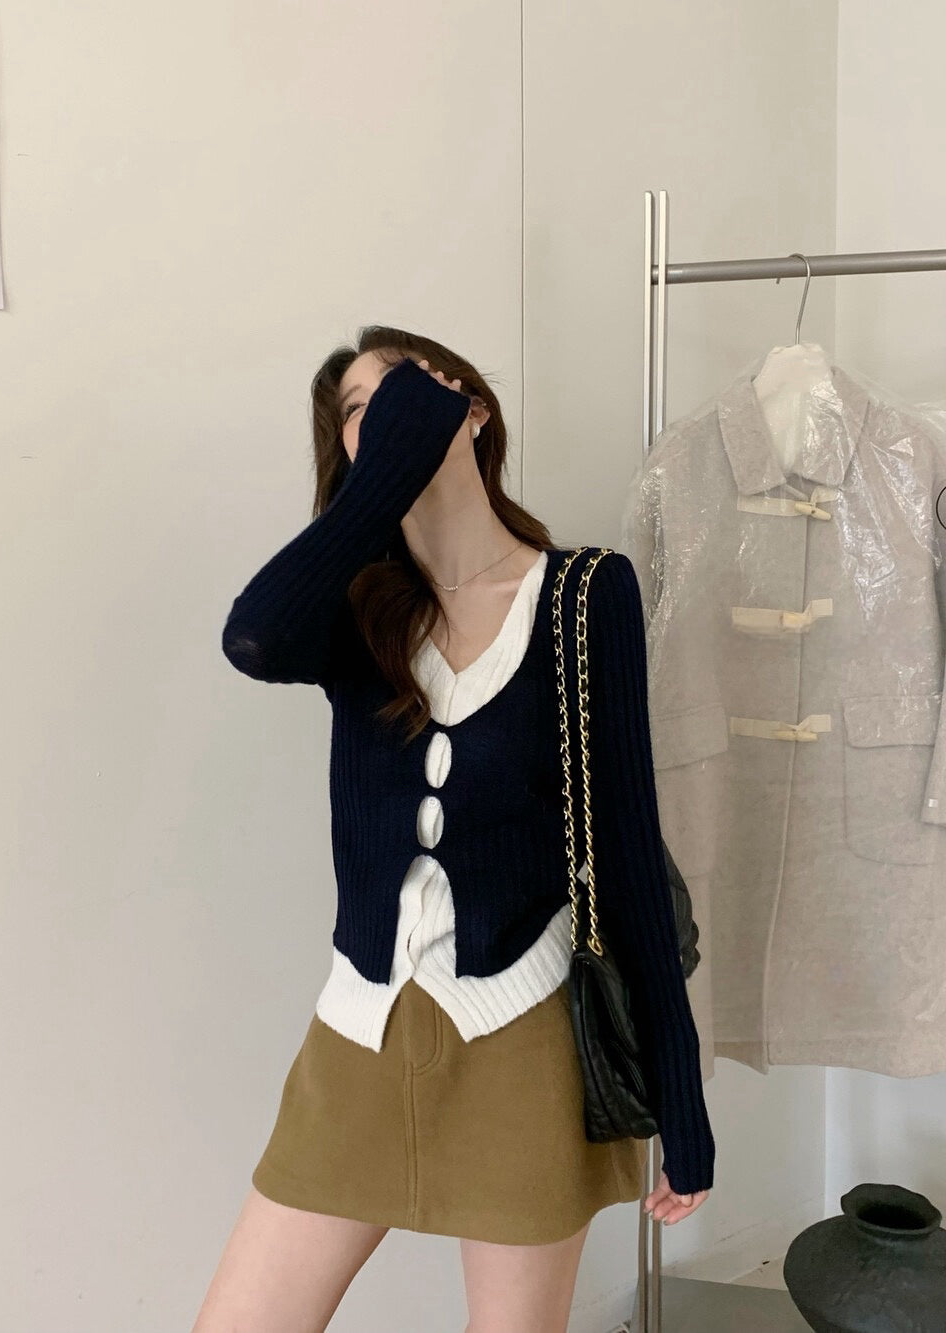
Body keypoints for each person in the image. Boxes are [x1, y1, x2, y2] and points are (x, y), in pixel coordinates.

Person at [193, 329, 714, 1333]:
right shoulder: (354, 609)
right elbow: (252, 638)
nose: (381, 411)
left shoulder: (584, 595)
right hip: (358, 1032)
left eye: (404, 387)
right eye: (356, 409)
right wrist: (379, 480)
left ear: (471, 407)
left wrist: (680, 1098)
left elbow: (629, 857)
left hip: (525, 1040)